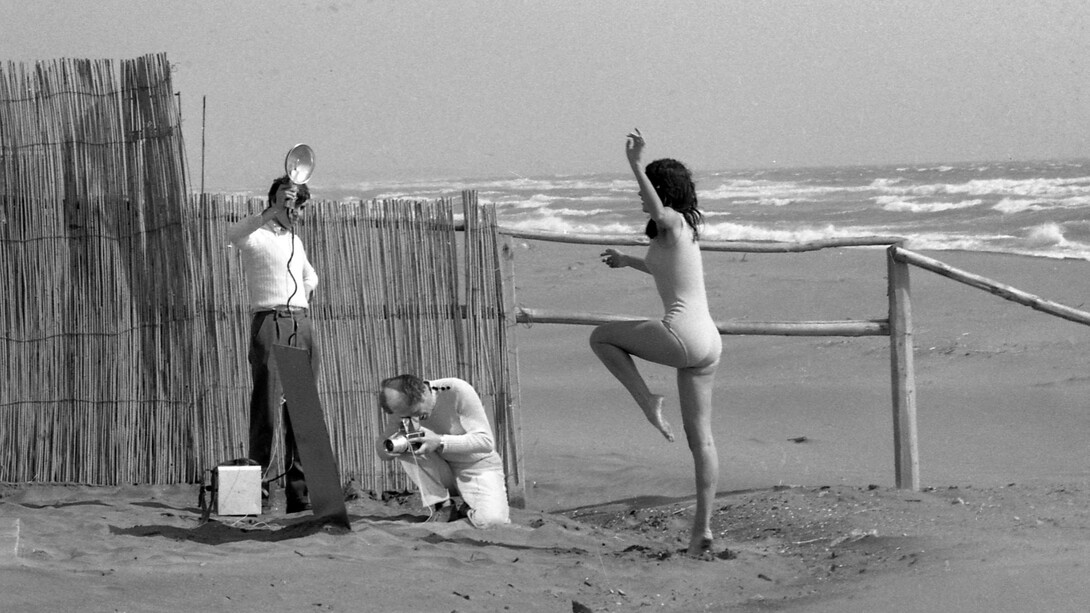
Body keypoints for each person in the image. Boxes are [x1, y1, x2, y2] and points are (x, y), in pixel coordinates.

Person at [589, 129, 722, 556]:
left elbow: (653, 207)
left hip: (681, 336)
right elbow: (668, 275)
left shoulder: (672, 222)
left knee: (602, 337)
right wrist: (628, 261)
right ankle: (701, 531)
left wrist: (633, 163)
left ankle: (648, 401)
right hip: (708, 343)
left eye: (649, 186)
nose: (641, 200)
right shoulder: (679, 233)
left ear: (661, 192)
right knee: (700, 439)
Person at [226, 175, 320, 513]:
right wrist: (271, 210)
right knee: (265, 406)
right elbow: (233, 235)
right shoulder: (257, 236)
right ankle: (257, 489)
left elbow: (311, 276)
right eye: (294, 204)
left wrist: (304, 295)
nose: (297, 212)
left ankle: (301, 492)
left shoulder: (295, 239)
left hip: (300, 321)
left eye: (300, 206)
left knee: (302, 408)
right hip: (269, 320)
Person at [376, 374, 510, 528]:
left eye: (415, 411)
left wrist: (439, 441)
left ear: (422, 392)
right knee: (404, 444)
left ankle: (468, 508)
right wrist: (394, 444)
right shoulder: (402, 410)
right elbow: (383, 450)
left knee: (492, 522)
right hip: (442, 469)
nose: (413, 417)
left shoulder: (455, 390)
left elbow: (486, 442)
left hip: (478, 466)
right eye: (407, 415)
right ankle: (443, 506)